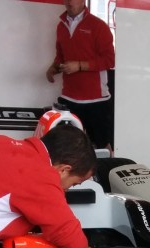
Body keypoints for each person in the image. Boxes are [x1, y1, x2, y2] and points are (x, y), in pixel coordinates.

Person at [45, 0, 115, 150]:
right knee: (69, 147)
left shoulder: (98, 26)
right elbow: (61, 57)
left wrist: (80, 65)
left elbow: (109, 60)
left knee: (101, 146)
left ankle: (103, 172)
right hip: (69, 98)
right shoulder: (61, 26)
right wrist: (53, 68)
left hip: (96, 100)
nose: (69, 2)